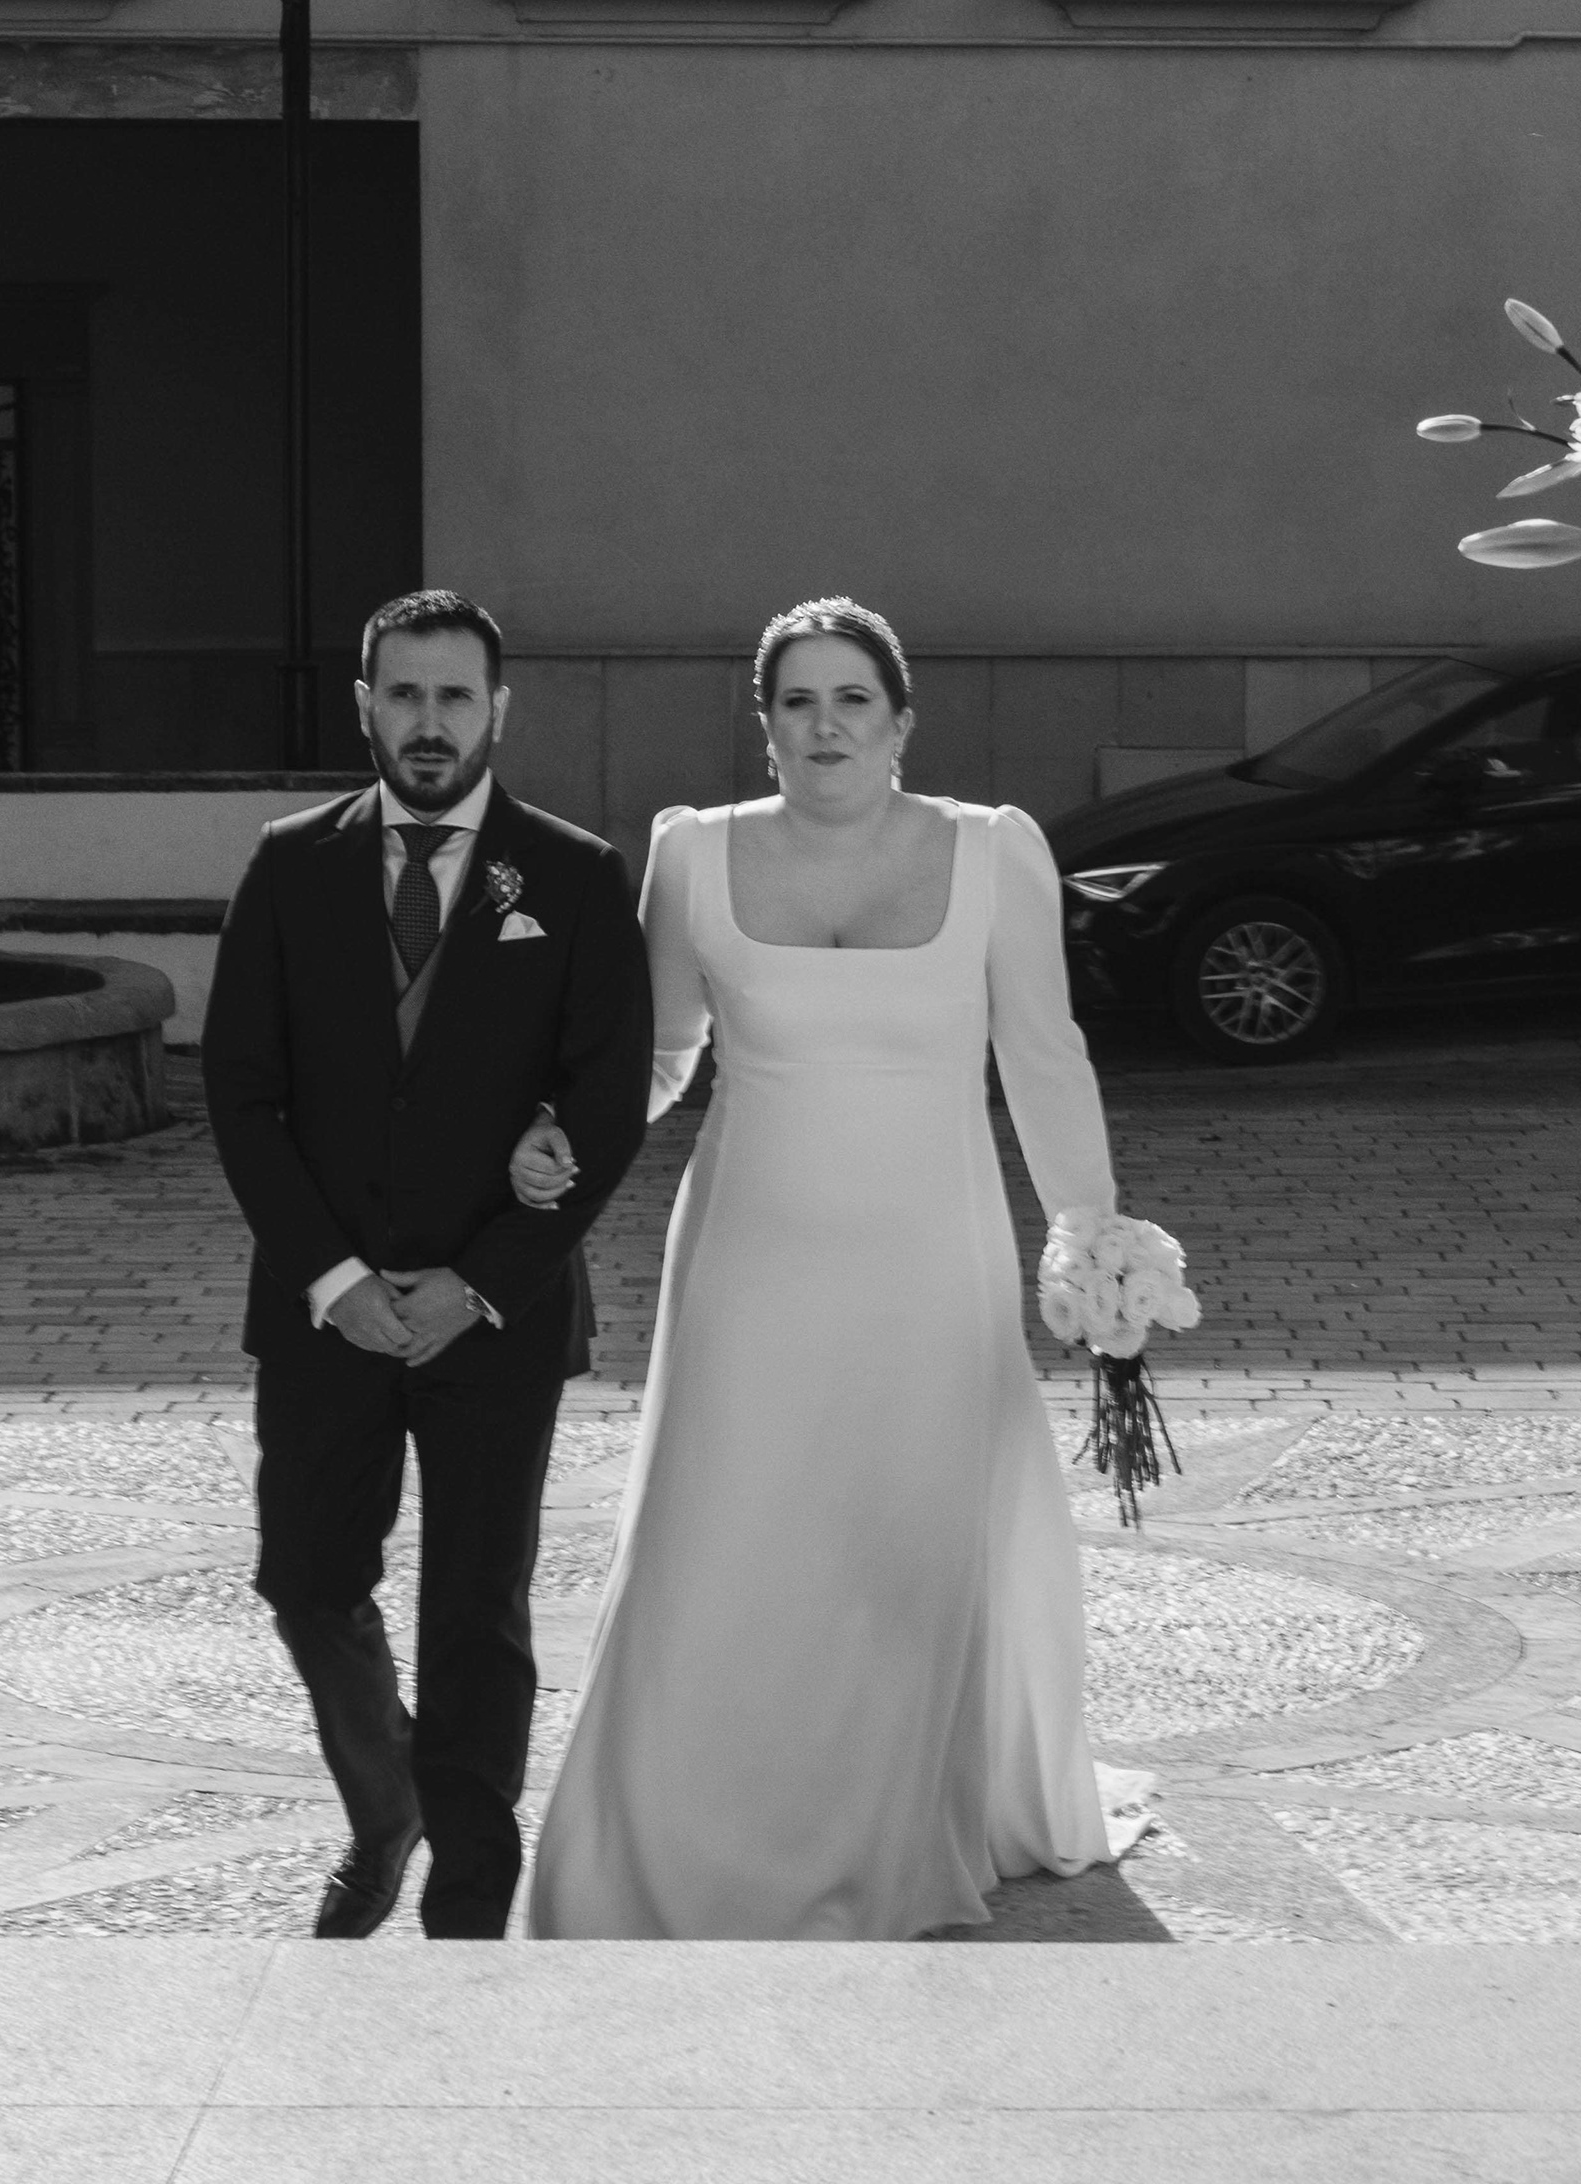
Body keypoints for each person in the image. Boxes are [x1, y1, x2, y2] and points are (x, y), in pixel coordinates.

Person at [518, 595, 1133, 1939]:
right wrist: (567, 1130)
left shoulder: (992, 852)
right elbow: (663, 1055)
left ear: (902, 719)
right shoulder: (693, 855)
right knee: (730, 1534)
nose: (826, 724)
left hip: (932, 1260)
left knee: (907, 1544)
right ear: (765, 725)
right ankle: (683, 1834)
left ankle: (887, 1833)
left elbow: (1043, 1055)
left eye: (854, 697)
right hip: (750, 1261)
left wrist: (1091, 1234)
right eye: (797, 700)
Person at [203, 588, 656, 1941]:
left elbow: (608, 1103)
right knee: (305, 1579)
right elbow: (241, 1094)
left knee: (476, 1613)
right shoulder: (291, 865)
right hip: (325, 1310)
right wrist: (336, 1280)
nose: (430, 722)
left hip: (495, 1317)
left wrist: (484, 1278)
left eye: (455, 695)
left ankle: (467, 1902)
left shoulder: (574, 876)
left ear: (497, 709)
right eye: (403, 694)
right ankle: (388, 1803)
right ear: (365, 707)